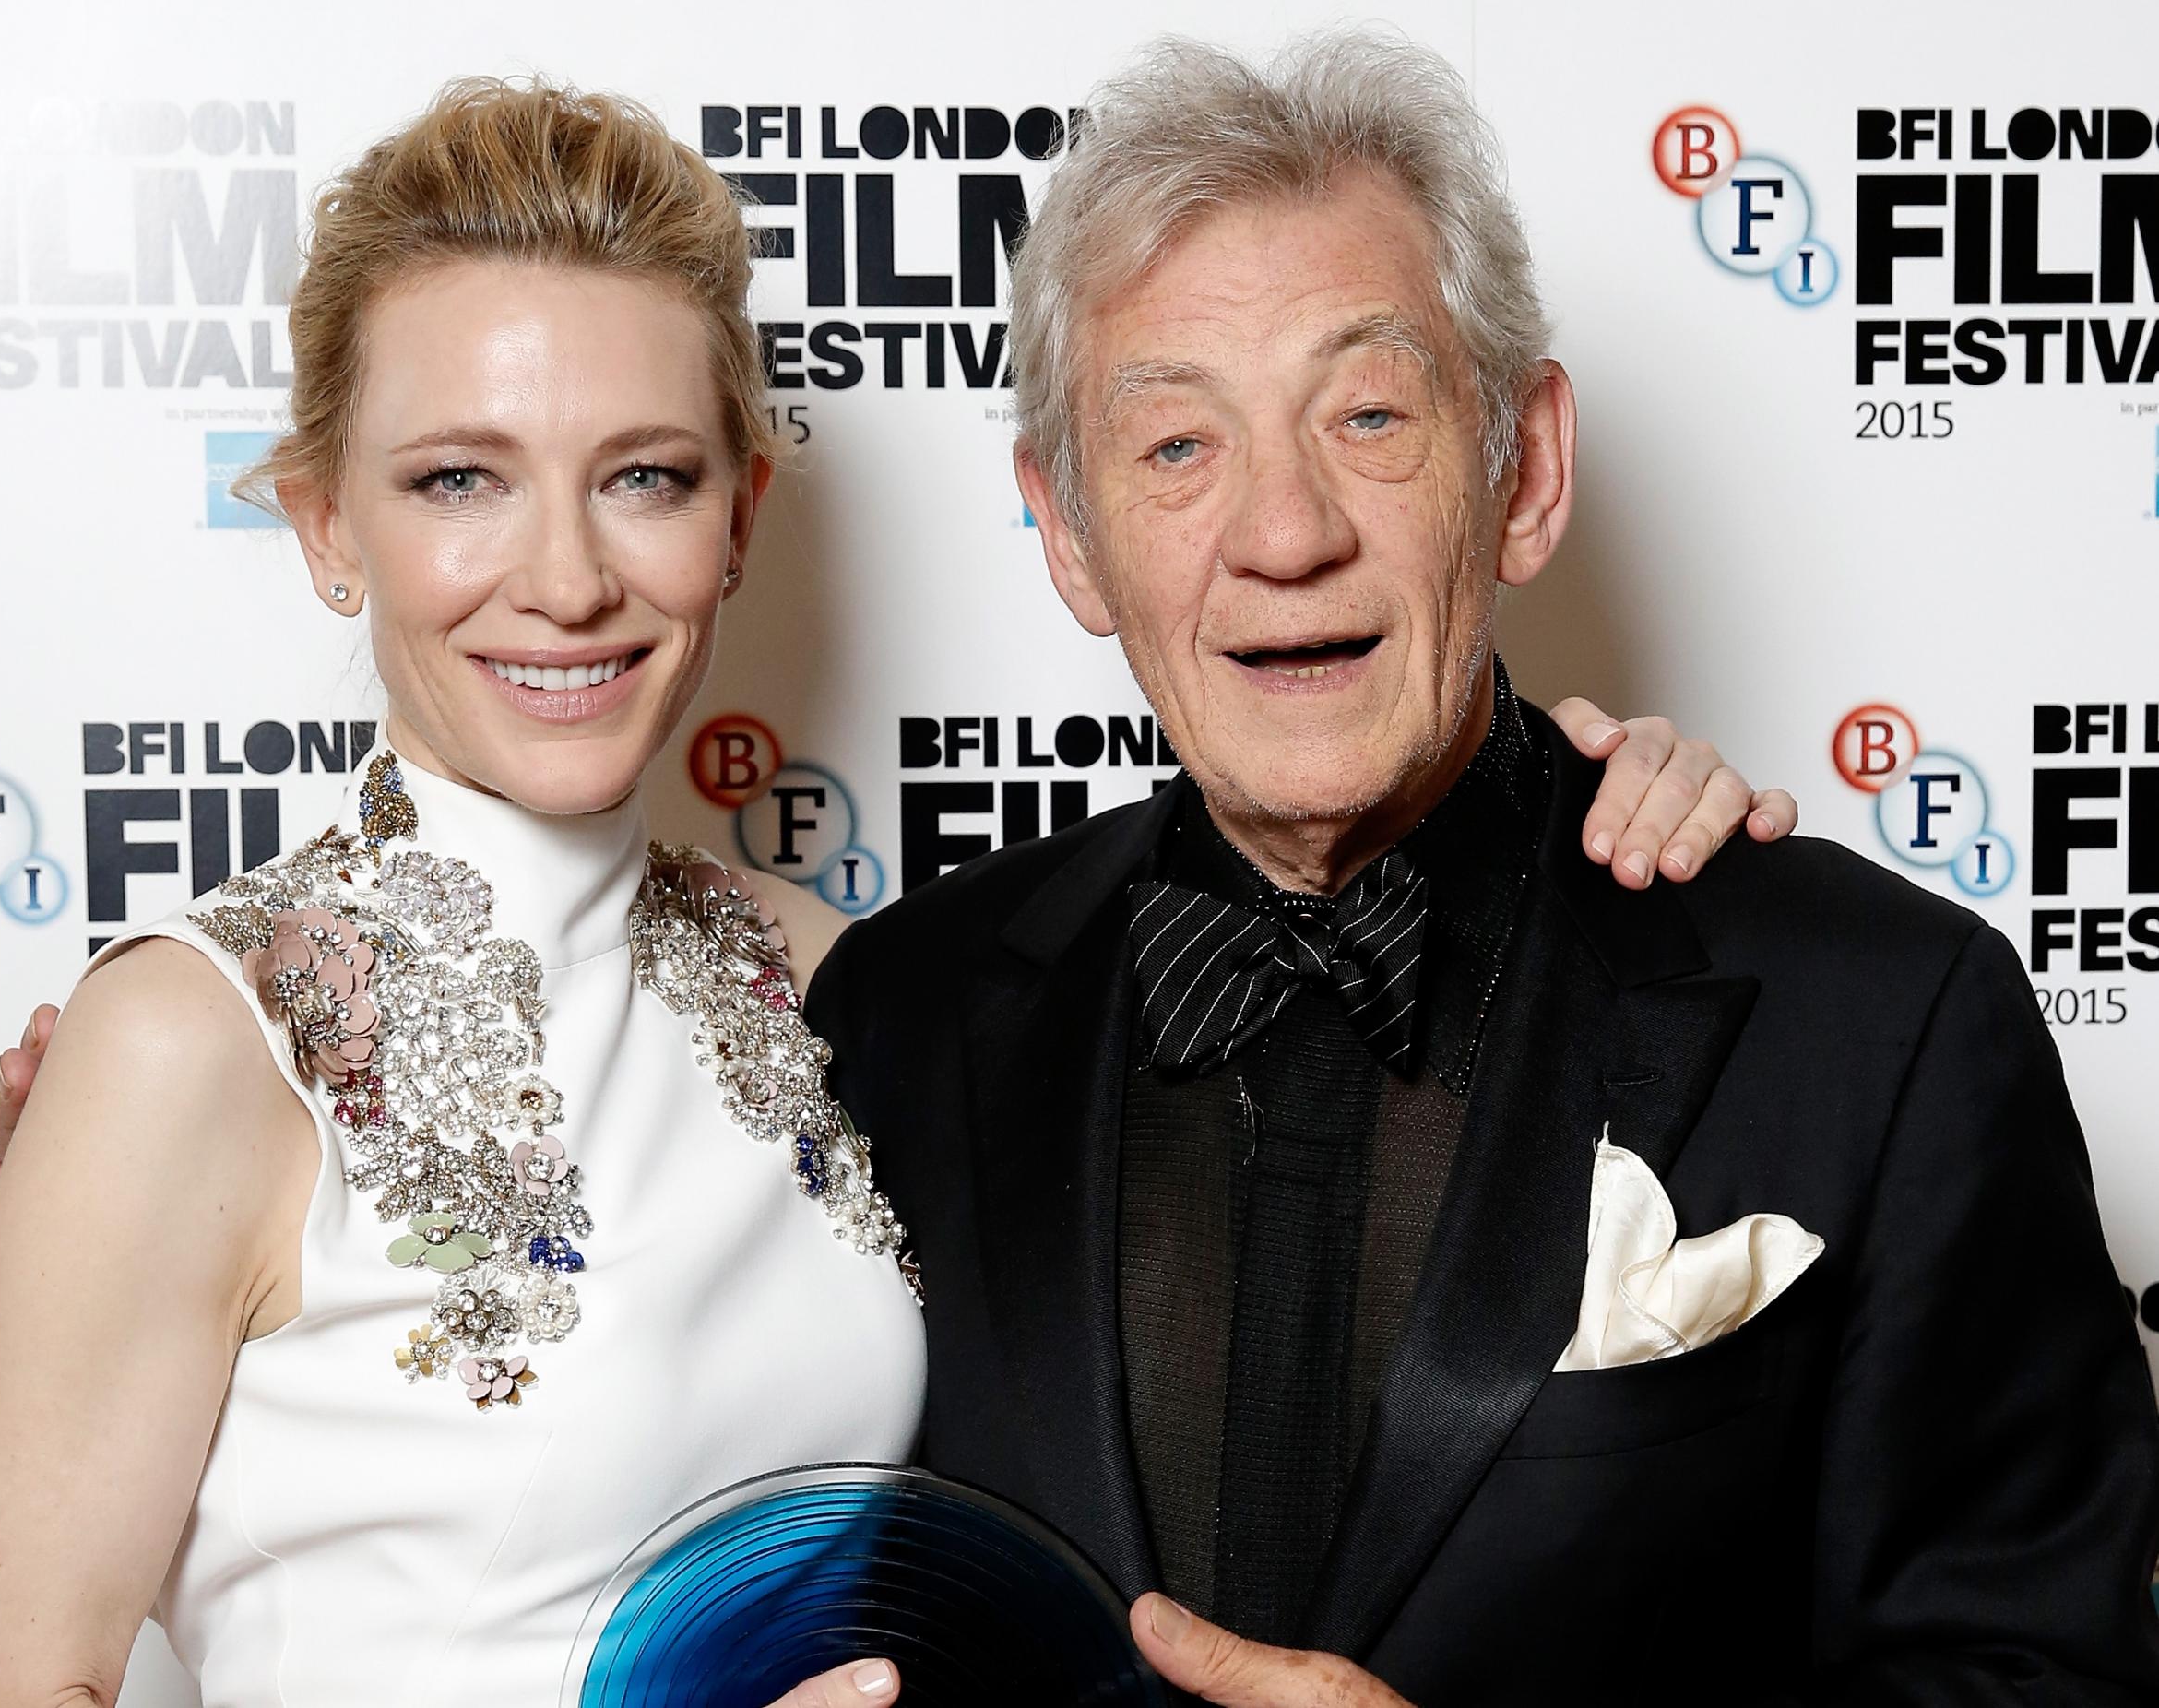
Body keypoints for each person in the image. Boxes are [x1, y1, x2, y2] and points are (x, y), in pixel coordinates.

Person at [0, 70, 1786, 1708]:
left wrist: (1572, 814)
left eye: (639, 474)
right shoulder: (188, 1038)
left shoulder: (847, 984)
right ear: (327, 522)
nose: (560, 577)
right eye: (458, 479)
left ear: (737, 514)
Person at [799, 30, 2159, 1708]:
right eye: (1174, 448)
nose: (1284, 531)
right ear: (1069, 533)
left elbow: (2039, 1678)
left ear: (1525, 470)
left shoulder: (1881, 1024)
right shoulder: (897, 1022)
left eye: (1369, 414)